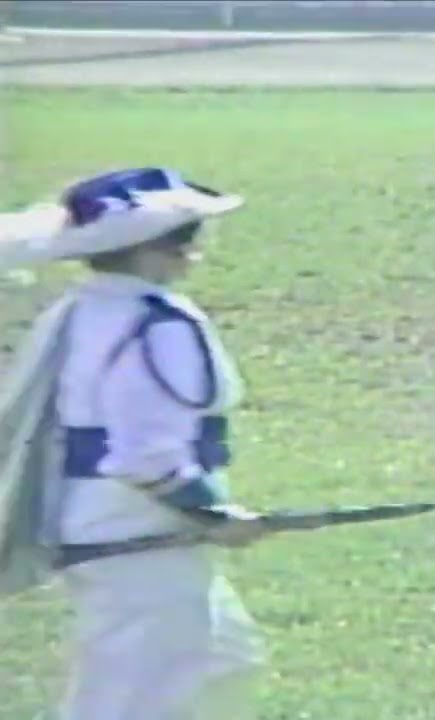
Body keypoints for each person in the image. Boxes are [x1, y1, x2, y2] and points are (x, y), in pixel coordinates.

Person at [0, 167, 268, 719]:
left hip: (108, 524)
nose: (195, 251)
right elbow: (145, 456)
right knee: (134, 696)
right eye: (186, 238)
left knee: (224, 659)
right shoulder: (158, 326)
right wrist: (214, 511)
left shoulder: (82, 310)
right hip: (138, 534)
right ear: (152, 249)